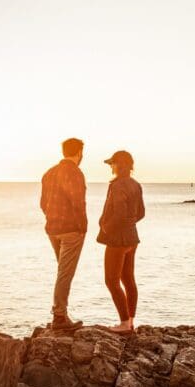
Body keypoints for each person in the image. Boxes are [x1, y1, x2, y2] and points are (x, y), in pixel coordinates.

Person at [40, 138, 87, 330]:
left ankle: (61, 313)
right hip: (71, 230)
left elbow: (43, 203)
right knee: (65, 273)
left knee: (62, 272)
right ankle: (59, 316)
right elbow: (77, 201)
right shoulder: (75, 172)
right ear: (79, 152)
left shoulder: (49, 173)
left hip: (53, 228)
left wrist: (52, 218)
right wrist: (82, 226)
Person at [98, 150, 145, 334]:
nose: (111, 167)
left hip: (118, 239)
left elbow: (119, 214)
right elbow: (141, 213)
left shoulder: (117, 185)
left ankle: (124, 323)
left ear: (120, 165)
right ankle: (131, 321)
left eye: (113, 164)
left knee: (111, 280)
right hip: (132, 238)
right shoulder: (136, 184)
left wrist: (105, 227)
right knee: (128, 279)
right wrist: (129, 225)